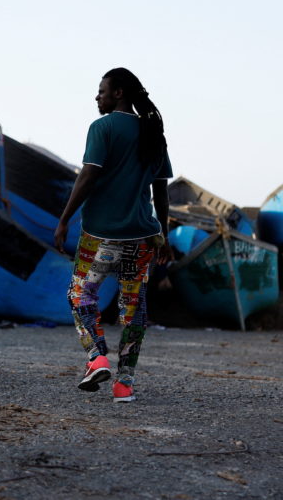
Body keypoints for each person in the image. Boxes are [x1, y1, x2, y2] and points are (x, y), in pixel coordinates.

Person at [53, 68, 172, 403]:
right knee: (133, 309)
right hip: (142, 238)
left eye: (102, 90)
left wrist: (64, 220)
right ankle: (124, 385)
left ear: (118, 92)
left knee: (80, 296)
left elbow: (89, 175)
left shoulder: (102, 128)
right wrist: (161, 233)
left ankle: (97, 358)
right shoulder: (153, 132)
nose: (97, 96)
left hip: (100, 236)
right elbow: (160, 192)